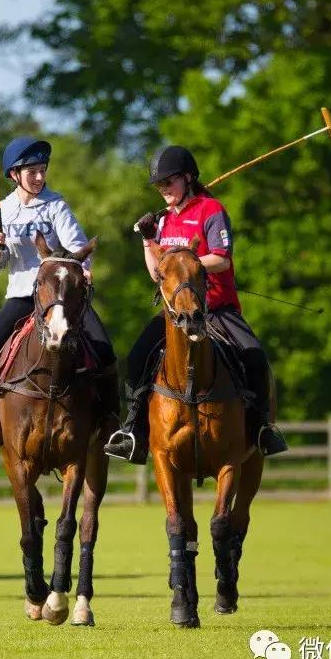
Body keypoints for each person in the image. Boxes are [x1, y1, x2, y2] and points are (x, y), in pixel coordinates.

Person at [103, 145, 288, 463]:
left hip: (215, 309)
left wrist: (185, 265)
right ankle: (134, 431)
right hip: (175, 314)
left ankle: (261, 428)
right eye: (159, 185)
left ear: (188, 178)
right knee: (136, 359)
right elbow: (157, 274)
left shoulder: (211, 210)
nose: (163, 189)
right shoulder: (163, 220)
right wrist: (148, 240)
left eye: (169, 182)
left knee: (255, 357)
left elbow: (221, 258)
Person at [0, 136, 119, 444]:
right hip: (22, 295)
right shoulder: (0, 211)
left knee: (103, 346)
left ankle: (112, 422)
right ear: (14, 174)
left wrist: (82, 267)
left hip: (60, 296)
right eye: (32, 171)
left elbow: (77, 247)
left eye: (43, 170)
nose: (40, 177)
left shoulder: (56, 206)